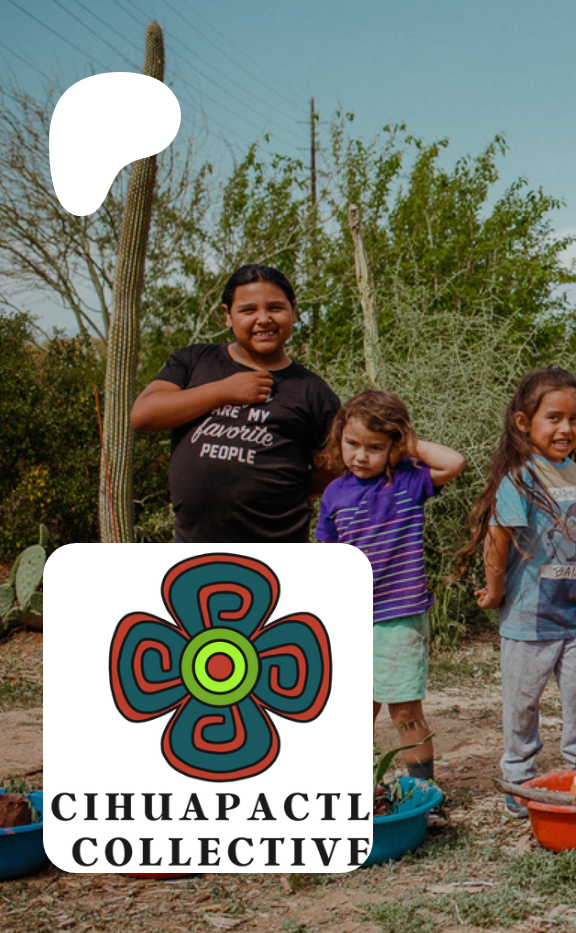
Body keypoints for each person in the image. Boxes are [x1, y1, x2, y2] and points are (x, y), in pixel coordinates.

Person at [457, 366, 576, 816]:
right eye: (554, 418)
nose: (566, 429)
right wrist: (494, 589)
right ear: (524, 422)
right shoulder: (519, 479)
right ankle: (519, 780)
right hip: (529, 618)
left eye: (575, 419)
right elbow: (497, 537)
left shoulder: (569, 468)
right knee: (521, 706)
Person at [314, 390, 465, 782]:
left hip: (398, 619)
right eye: (352, 444)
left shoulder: (408, 481)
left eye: (375, 447)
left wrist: (407, 446)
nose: (361, 456)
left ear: (394, 446)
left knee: (405, 712)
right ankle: (358, 787)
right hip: (353, 620)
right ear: (340, 437)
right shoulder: (334, 494)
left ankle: (422, 792)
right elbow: (328, 558)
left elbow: (454, 463)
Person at [130, 263, 340, 542]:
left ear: (293, 311)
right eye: (248, 310)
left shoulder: (312, 390)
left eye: (275, 308)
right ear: (228, 316)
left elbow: (334, 469)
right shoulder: (194, 361)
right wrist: (223, 391)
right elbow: (143, 415)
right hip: (193, 548)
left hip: (277, 551)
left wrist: (285, 488)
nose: (263, 319)